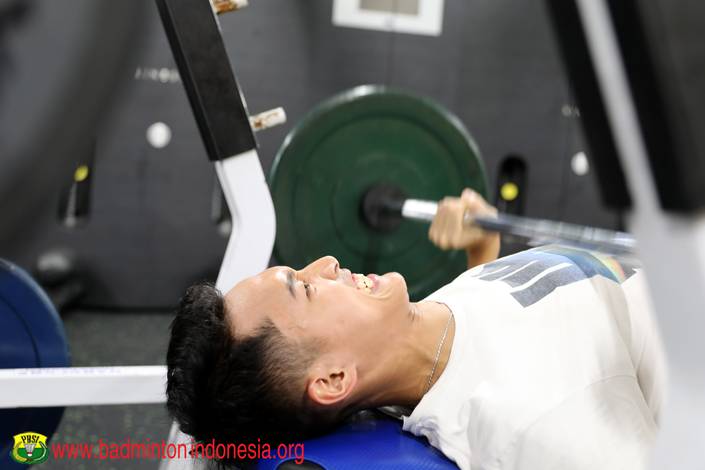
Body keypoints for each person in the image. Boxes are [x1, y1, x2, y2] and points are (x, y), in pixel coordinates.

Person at [166, 189, 666, 470]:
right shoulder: (532, 423)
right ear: (334, 379)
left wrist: (479, 246)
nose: (328, 263)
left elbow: (500, 323)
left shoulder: (425, 330)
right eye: (307, 287)